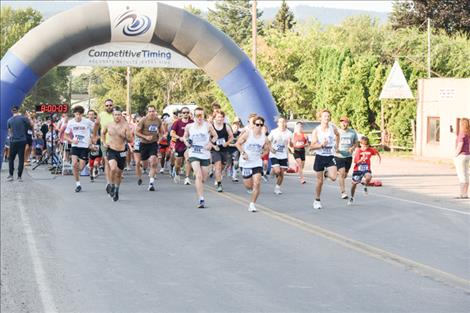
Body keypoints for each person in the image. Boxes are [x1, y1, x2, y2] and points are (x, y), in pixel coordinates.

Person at [182, 107, 218, 208]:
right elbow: (185, 137)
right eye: (197, 115)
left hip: (205, 153)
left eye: (201, 115)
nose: (199, 117)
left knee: (203, 178)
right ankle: (201, 199)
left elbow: (215, 136)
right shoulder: (189, 126)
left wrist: (210, 143)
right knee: (198, 175)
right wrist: (186, 142)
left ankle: (199, 184)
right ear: (193, 116)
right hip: (193, 153)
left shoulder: (208, 126)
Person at [236, 116, 270, 212]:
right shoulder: (248, 134)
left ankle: (252, 204)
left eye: (261, 125)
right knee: (248, 185)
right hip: (245, 163)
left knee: (257, 183)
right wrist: (243, 153)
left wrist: (262, 155)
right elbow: (238, 144)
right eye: (257, 124)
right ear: (254, 125)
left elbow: (267, 149)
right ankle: (249, 189)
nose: (259, 126)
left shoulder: (264, 137)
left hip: (256, 163)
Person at [310, 109, 340, 209]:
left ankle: (327, 173)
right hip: (320, 157)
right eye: (325, 116)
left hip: (330, 156)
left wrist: (337, 145)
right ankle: (317, 200)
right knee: (320, 181)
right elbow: (311, 147)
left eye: (328, 116)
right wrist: (322, 145)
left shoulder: (332, 127)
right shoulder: (316, 130)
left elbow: (338, 135)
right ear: (321, 118)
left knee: (334, 177)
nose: (327, 118)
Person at [101, 107, 133, 201]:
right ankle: (110, 185)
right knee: (113, 168)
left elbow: (130, 140)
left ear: (121, 116)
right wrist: (104, 142)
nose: (117, 116)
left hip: (122, 151)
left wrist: (124, 135)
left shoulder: (125, 126)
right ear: (113, 115)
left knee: (119, 174)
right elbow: (103, 133)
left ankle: (116, 190)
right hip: (111, 150)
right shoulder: (108, 125)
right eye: (116, 115)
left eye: (119, 115)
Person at [64, 105, 95, 192]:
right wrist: (72, 140)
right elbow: (65, 135)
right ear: (74, 114)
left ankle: (85, 164)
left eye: (80, 114)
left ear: (82, 115)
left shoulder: (87, 122)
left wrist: (92, 139)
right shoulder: (71, 122)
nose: (78, 116)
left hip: (84, 146)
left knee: (80, 168)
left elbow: (96, 127)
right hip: (75, 146)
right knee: (74, 165)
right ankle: (78, 184)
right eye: (76, 114)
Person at [135, 104, 164, 191]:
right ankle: (142, 169)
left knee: (153, 161)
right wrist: (145, 137)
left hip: (153, 144)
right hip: (144, 144)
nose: (151, 113)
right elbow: (136, 132)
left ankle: (151, 183)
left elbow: (162, 132)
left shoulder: (158, 120)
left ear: (155, 112)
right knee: (144, 164)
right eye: (150, 111)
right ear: (147, 112)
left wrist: (159, 139)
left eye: (153, 111)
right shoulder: (143, 120)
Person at [348, 136, 381, 205]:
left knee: (369, 177)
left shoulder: (370, 150)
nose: (365, 147)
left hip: (366, 169)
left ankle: (365, 185)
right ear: (360, 144)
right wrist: (361, 160)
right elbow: (356, 161)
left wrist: (378, 156)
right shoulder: (358, 151)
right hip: (358, 170)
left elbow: (376, 152)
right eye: (363, 146)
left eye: (366, 146)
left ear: (368, 145)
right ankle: (352, 197)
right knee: (354, 184)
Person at [93, 99, 115, 194]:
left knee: (116, 166)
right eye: (107, 105)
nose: (109, 107)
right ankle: (109, 183)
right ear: (104, 106)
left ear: (113, 105)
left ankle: (112, 181)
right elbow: (96, 125)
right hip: (105, 142)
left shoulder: (117, 115)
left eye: (110, 105)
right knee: (107, 162)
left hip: (116, 143)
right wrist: (94, 136)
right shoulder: (101, 115)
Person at [335, 116, 359, 199]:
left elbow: (356, 143)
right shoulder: (337, 132)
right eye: (342, 122)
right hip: (339, 156)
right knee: (342, 173)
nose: (343, 124)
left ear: (348, 123)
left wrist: (352, 148)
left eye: (345, 122)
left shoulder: (352, 132)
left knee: (344, 175)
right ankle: (343, 192)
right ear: (340, 123)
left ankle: (335, 173)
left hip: (348, 156)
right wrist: (336, 148)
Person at [6, 106, 32, 181]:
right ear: (18, 111)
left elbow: (10, 131)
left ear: (12, 111)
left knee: (11, 159)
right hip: (22, 140)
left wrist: (12, 137)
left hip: (13, 141)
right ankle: (19, 177)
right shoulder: (23, 118)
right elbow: (30, 125)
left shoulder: (9, 120)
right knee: (21, 159)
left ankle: (11, 175)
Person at [268, 117, 292, 195]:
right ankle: (274, 169)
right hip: (274, 154)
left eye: (283, 122)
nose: (282, 124)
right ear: (278, 123)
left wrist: (291, 143)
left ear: (286, 123)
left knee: (281, 173)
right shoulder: (273, 132)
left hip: (283, 155)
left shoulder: (289, 133)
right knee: (278, 170)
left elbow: (291, 144)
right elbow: (267, 141)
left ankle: (277, 188)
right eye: (280, 122)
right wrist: (271, 149)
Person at [211, 110, 234, 192]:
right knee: (218, 166)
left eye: (221, 117)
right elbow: (207, 138)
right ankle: (219, 184)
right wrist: (213, 145)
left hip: (224, 149)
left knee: (223, 166)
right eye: (218, 117)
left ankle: (218, 177)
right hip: (215, 149)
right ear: (215, 117)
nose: (220, 119)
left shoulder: (226, 126)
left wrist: (227, 143)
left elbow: (231, 137)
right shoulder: (211, 126)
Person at [171, 106, 193, 185]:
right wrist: (179, 137)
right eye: (184, 113)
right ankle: (176, 172)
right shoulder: (177, 122)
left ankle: (187, 178)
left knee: (188, 159)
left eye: (187, 112)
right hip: (179, 145)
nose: (186, 114)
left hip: (188, 145)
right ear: (181, 113)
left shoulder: (192, 122)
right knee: (178, 164)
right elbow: (172, 133)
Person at [454, 118, 470, 199]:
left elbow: (460, 145)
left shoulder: (461, 133)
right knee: (466, 174)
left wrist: (455, 155)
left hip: (461, 156)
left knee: (461, 175)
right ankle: (466, 194)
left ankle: (462, 194)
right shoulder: (468, 133)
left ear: (461, 124)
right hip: (468, 155)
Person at [87, 110, 102, 182]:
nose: (91, 116)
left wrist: (99, 137)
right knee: (90, 166)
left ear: (94, 115)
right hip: (90, 142)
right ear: (87, 115)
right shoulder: (86, 122)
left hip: (98, 143)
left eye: (92, 114)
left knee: (96, 162)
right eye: (89, 114)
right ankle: (91, 174)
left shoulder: (97, 123)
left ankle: (96, 168)